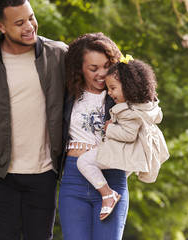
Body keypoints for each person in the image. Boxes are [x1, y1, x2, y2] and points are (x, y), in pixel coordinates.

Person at [0, 0, 67, 239]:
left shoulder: (59, 53)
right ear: (1, 27)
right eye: (19, 23)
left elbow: (97, 81)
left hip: (44, 171)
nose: (30, 26)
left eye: (31, 17)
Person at [77, 56, 170, 221]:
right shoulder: (147, 106)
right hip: (136, 153)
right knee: (121, 172)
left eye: (113, 88)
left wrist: (109, 128)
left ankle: (107, 193)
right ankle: (112, 192)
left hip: (128, 150)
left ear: (129, 86)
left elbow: (128, 134)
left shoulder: (129, 111)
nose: (110, 92)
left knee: (84, 162)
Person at [58, 32, 129, 240]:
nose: (101, 73)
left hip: (112, 179)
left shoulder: (121, 95)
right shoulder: (68, 93)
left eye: (107, 66)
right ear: (80, 68)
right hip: (73, 180)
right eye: (93, 68)